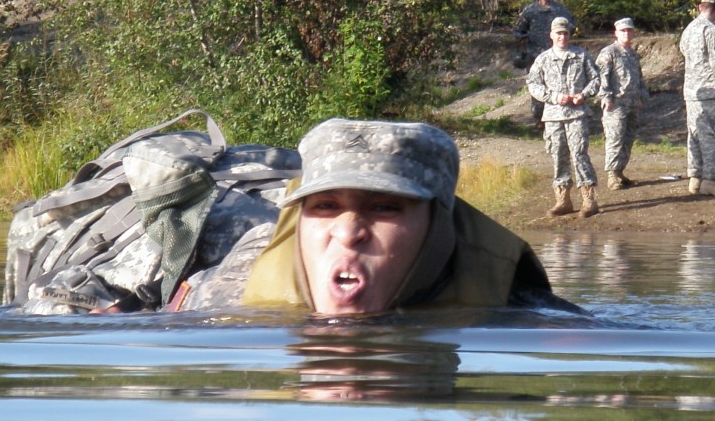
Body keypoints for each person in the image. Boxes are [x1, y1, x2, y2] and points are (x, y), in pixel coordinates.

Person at [170, 118, 576, 314]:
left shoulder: (523, 315)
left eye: (384, 206)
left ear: (439, 227)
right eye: (325, 206)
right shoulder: (222, 296)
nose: (347, 232)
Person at [526, 16, 602, 217]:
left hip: (577, 114)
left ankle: (589, 200)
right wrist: (553, 97)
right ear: (551, 35)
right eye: (558, 33)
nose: (562, 37)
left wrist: (583, 95)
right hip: (553, 116)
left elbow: (596, 79)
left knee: (579, 154)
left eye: (565, 33)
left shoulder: (581, 55)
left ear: (569, 35)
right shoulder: (543, 59)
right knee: (558, 155)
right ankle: (563, 200)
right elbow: (533, 84)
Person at [679, 0, 715, 197]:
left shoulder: (688, 29)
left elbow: (684, 52)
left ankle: (695, 178)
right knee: (714, 135)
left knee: (694, 135)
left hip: (692, 91)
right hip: (710, 90)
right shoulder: (711, 31)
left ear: (700, 6)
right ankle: (709, 180)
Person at [514, 0, 577, 125]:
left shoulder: (560, 10)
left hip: (556, 54)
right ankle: (538, 118)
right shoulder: (530, 10)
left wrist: (563, 37)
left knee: (557, 85)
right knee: (536, 85)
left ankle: (556, 118)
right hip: (534, 55)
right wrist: (522, 39)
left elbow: (572, 25)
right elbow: (518, 30)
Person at [596, 17, 649, 191]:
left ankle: (619, 172)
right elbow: (601, 77)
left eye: (629, 30)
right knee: (615, 139)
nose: (626, 33)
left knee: (628, 139)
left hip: (632, 103)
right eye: (623, 31)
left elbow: (639, 78)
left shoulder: (633, 54)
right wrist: (607, 98)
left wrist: (642, 96)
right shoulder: (609, 52)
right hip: (616, 104)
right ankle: (611, 175)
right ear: (616, 33)